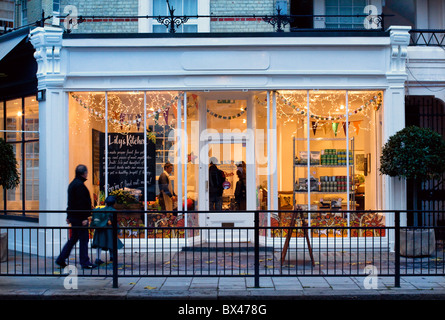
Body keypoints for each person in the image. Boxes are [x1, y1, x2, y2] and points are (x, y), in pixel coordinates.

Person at [56, 165, 97, 269]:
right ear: (84, 173)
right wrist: (84, 217)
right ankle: (84, 262)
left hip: (74, 216)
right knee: (84, 239)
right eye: (86, 173)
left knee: (73, 238)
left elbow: (71, 202)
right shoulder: (80, 186)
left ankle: (61, 258)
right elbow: (81, 203)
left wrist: (69, 215)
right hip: (80, 218)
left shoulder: (72, 184)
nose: (87, 174)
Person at [90, 195, 124, 265]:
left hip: (100, 230)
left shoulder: (101, 210)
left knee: (99, 244)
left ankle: (98, 258)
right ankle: (112, 257)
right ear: (114, 203)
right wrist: (119, 230)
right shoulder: (113, 211)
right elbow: (114, 222)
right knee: (111, 243)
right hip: (109, 230)